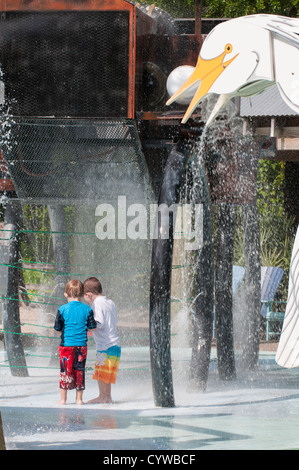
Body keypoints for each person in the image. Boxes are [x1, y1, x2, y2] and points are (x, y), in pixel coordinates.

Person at [54, 279, 97, 405]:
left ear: (66, 294)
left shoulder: (62, 309)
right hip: (81, 346)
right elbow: (93, 327)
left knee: (64, 371)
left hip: (66, 346)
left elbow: (57, 329)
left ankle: (63, 400)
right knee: (80, 371)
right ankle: (79, 400)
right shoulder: (87, 309)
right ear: (82, 293)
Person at [83, 277, 121, 404]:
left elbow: (98, 323)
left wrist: (86, 326)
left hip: (105, 345)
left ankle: (102, 397)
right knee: (107, 375)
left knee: (101, 373)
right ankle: (107, 397)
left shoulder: (97, 304)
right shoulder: (110, 302)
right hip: (115, 344)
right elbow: (114, 321)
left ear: (89, 295)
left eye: (85, 298)